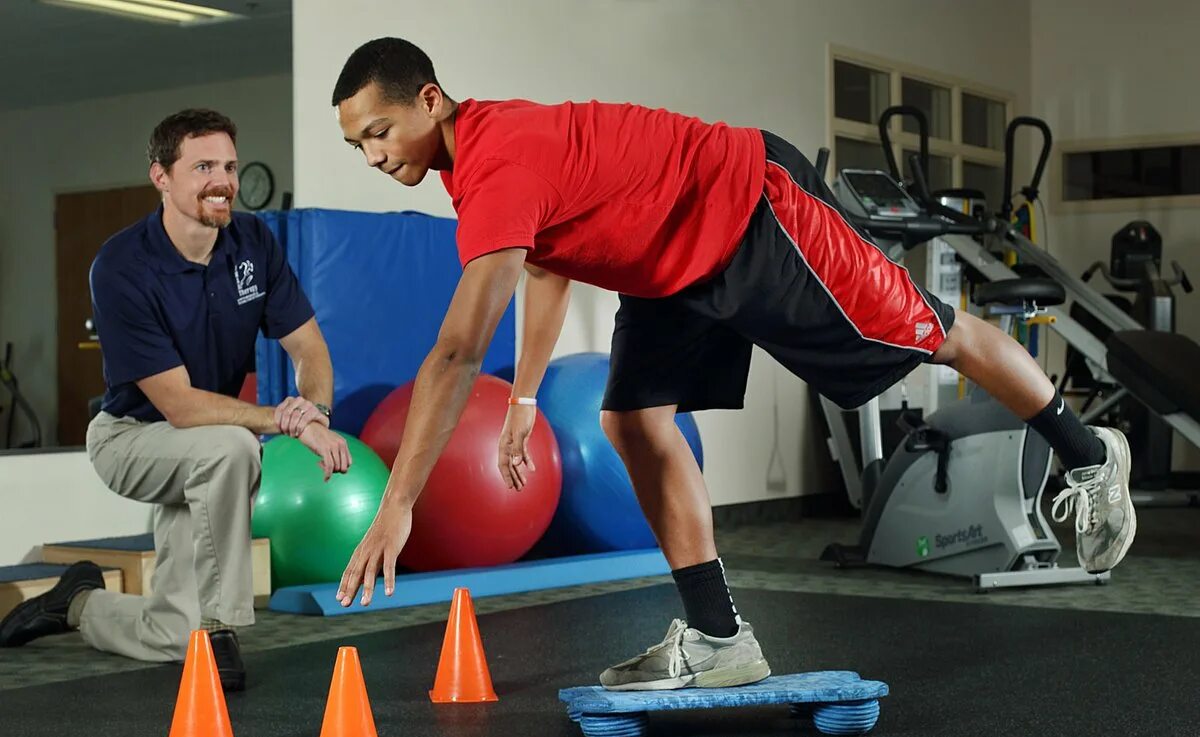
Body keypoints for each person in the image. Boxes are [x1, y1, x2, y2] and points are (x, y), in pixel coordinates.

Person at [328, 38, 1136, 692]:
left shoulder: (498, 159)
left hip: (749, 206)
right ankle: (718, 635)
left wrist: (399, 503)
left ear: (430, 100)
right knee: (631, 422)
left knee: (933, 332)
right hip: (667, 261)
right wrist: (528, 399)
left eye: (379, 132)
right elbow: (546, 265)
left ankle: (1090, 458)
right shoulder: (478, 163)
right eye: (356, 142)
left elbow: (458, 351)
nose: (371, 154)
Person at [0, 109, 350, 692]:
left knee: (170, 634)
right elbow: (181, 408)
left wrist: (313, 410)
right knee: (237, 449)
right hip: (131, 438)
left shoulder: (252, 242)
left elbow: (310, 347)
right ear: (160, 176)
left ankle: (77, 604)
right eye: (204, 166)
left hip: (202, 444)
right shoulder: (121, 266)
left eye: (230, 167)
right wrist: (288, 426)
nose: (223, 180)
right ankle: (223, 627)